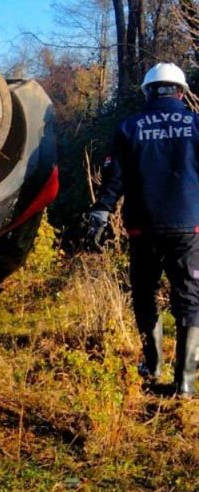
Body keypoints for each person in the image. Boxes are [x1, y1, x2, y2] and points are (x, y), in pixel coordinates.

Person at [87, 63, 199, 397]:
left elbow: (114, 179)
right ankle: (186, 383)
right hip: (189, 227)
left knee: (145, 294)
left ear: (148, 92)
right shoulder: (196, 124)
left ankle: (153, 366)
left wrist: (101, 213)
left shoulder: (129, 127)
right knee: (191, 298)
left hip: (142, 228)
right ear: (180, 92)